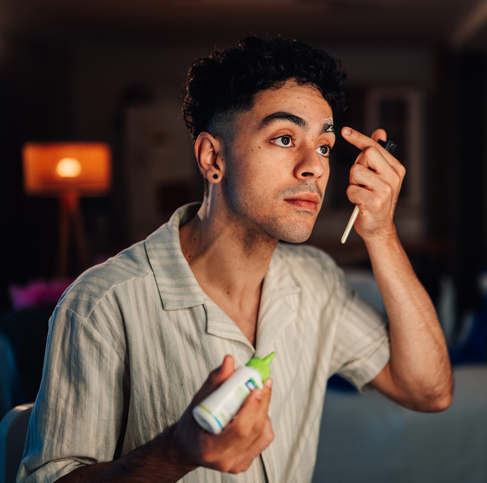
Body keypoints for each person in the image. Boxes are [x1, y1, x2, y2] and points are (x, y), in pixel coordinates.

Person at [18, 36, 453, 483]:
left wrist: (381, 232)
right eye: (285, 138)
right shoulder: (102, 303)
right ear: (213, 157)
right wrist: (176, 452)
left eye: (323, 146)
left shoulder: (317, 283)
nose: (315, 167)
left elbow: (429, 390)